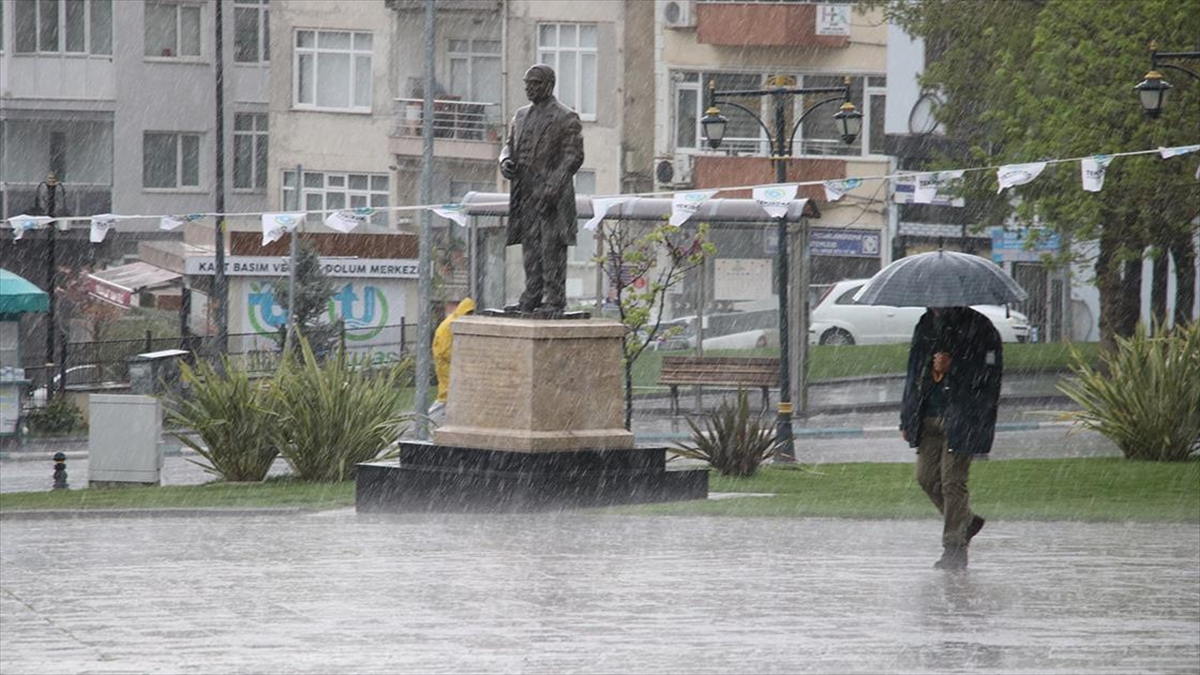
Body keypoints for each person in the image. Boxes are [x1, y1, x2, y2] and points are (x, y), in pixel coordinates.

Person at [900, 306, 1003, 570]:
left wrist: (954, 366)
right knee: (926, 478)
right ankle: (966, 520)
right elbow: (913, 372)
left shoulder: (980, 326)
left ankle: (954, 548)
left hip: (963, 417)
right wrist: (907, 416)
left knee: (952, 482)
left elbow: (989, 374)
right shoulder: (925, 324)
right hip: (928, 418)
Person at [498, 64, 584, 318]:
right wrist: (505, 161)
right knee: (530, 248)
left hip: (551, 196)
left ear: (548, 85)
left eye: (534, 83)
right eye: (526, 83)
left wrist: (552, 187)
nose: (528, 88)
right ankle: (532, 294)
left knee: (551, 247)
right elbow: (508, 146)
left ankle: (555, 299)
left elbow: (572, 157)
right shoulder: (521, 115)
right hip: (524, 193)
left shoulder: (565, 117)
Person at [430, 297, 476, 425]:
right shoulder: (450, 325)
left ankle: (427, 430)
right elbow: (445, 351)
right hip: (449, 373)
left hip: (454, 374)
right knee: (445, 401)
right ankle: (423, 430)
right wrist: (466, 361)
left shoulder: (457, 323)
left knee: (448, 403)